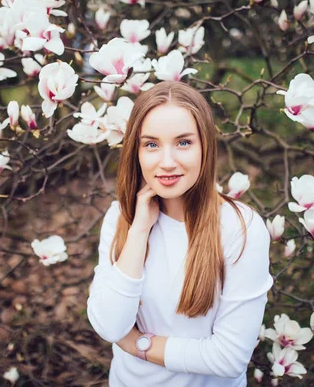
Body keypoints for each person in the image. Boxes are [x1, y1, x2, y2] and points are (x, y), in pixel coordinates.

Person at [87, 81, 272, 386]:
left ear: (205, 147)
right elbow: (109, 326)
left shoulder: (240, 229)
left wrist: (139, 344)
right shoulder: (120, 217)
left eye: (183, 142)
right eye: (151, 144)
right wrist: (139, 230)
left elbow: (228, 357)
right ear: (136, 151)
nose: (167, 162)